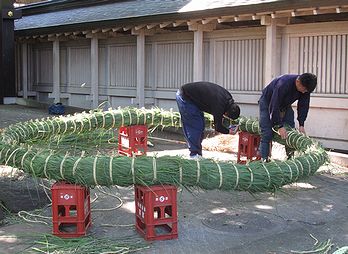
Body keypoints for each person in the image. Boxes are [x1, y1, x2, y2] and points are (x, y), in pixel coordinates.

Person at [258, 73, 317, 161]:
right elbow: (274, 105)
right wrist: (279, 126)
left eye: (306, 91)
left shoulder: (305, 89)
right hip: (268, 102)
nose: (304, 92)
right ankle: (264, 161)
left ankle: (290, 159)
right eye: (304, 89)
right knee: (267, 132)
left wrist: (301, 124)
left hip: (285, 104)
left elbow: (303, 106)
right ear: (298, 82)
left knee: (290, 131)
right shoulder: (283, 83)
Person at [176, 81, 240, 159]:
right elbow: (218, 127)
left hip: (194, 99)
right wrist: (229, 131)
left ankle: (198, 153)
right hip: (185, 97)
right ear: (226, 113)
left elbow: (220, 116)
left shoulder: (228, 99)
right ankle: (194, 155)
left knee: (201, 125)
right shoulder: (219, 105)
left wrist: (227, 126)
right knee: (195, 126)